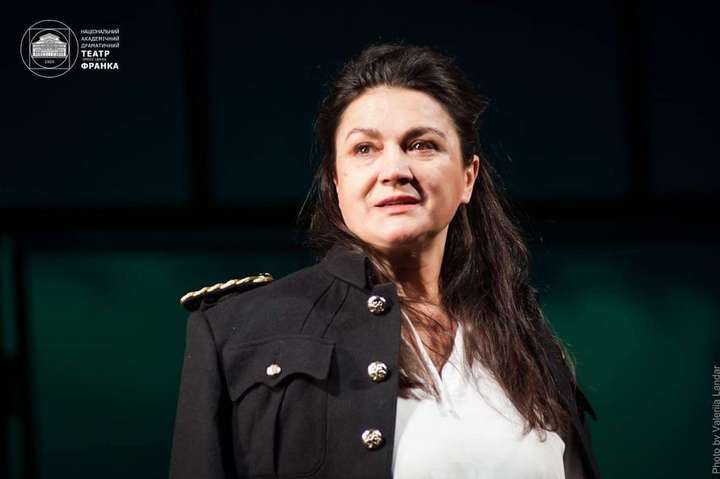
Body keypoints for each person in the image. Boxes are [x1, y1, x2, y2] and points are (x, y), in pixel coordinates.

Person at [169, 42, 601, 479]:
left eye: (421, 145)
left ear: (467, 178)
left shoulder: (530, 344)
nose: (394, 170)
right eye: (364, 149)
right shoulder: (238, 332)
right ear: (337, 182)